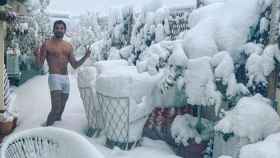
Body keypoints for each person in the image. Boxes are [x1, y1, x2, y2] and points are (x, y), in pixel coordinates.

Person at [34, 20, 91, 126]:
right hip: (54, 77)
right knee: (55, 108)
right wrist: (36, 55)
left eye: (61, 28)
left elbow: (74, 65)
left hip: (65, 79)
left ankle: (55, 131)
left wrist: (86, 56)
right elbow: (39, 65)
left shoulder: (68, 46)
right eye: (57, 28)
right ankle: (45, 129)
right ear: (53, 29)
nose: (59, 30)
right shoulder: (47, 44)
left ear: (64, 30)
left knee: (60, 110)